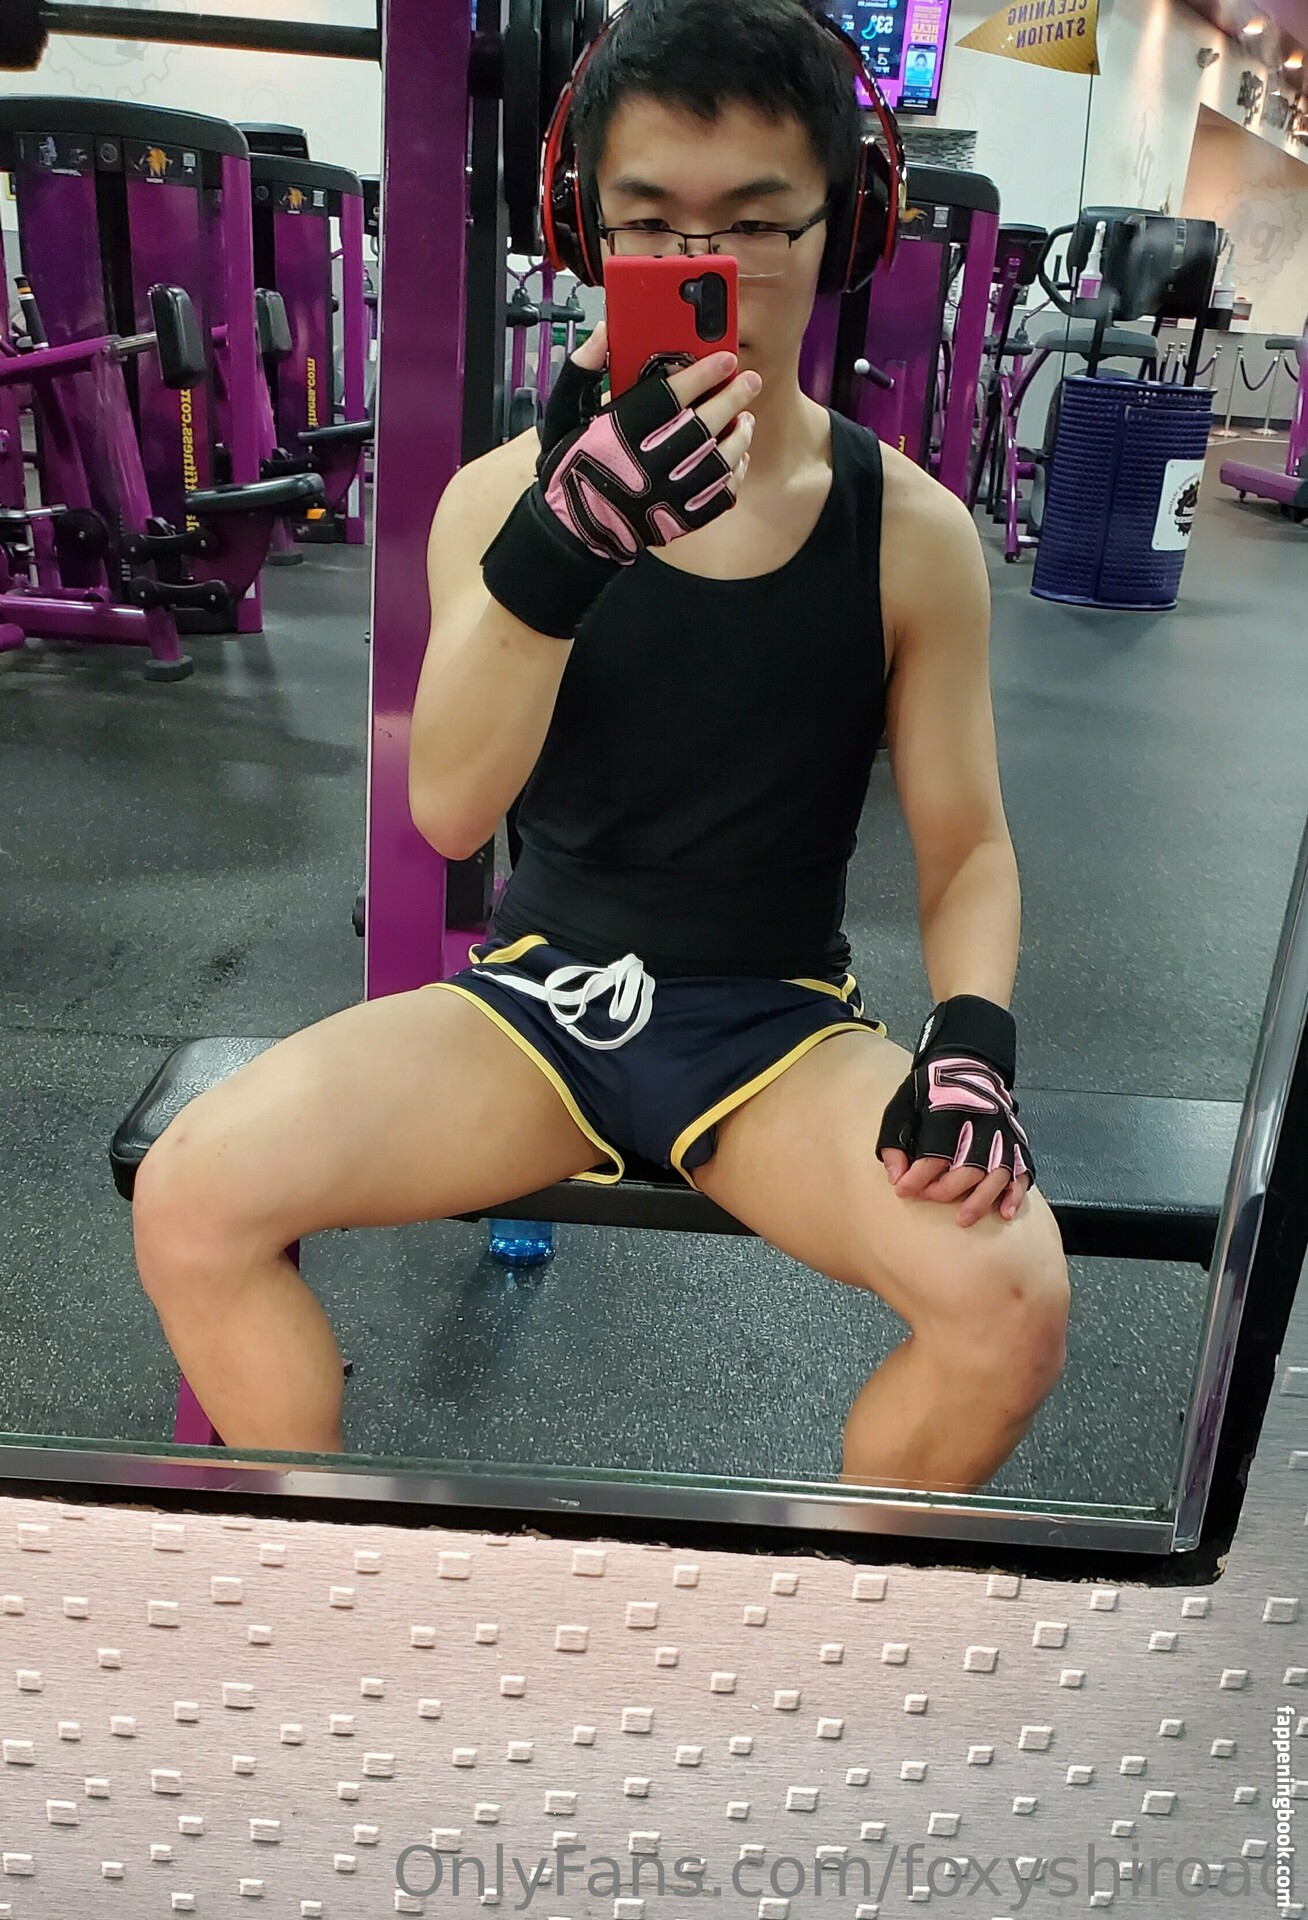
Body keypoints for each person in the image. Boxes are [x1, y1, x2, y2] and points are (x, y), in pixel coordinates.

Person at [133, 0, 1070, 1492]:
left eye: (755, 223)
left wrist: (972, 1041)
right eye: (649, 224)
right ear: (586, 234)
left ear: (846, 227)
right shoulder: (497, 501)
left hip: (776, 1032)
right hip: (537, 1007)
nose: (704, 266)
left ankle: (829, 1617)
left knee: (1008, 1301)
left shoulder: (913, 534)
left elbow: (967, 847)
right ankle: (334, 1575)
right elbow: (451, 814)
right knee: (192, 1198)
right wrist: (559, 552)